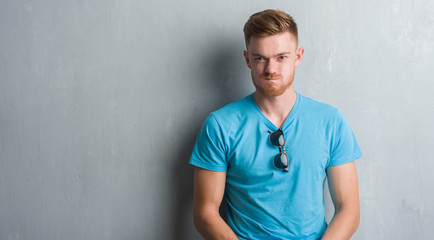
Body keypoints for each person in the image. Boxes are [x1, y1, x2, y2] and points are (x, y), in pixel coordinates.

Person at [190, 9, 362, 240]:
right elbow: (205, 213)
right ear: (247, 59)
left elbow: (348, 210)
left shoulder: (330, 121)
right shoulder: (220, 125)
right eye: (260, 58)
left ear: (298, 56)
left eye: (281, 57)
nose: (271, 69)